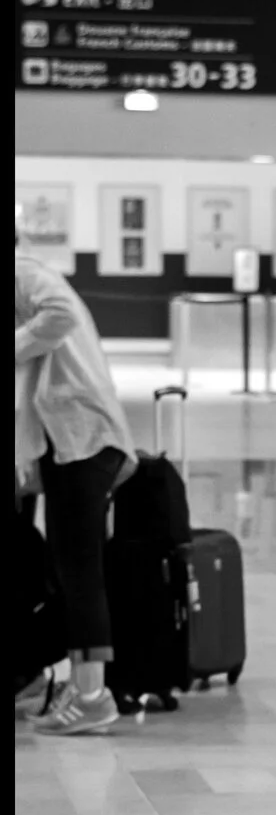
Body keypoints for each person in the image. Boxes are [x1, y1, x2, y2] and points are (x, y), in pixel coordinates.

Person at [15, 241, 137, 733]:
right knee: (57, 563)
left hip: (85, 442)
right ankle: (42, 677)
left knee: (79, 569)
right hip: (68, 445)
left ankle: (93, 697)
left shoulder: (22, 271)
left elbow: (60, 313)